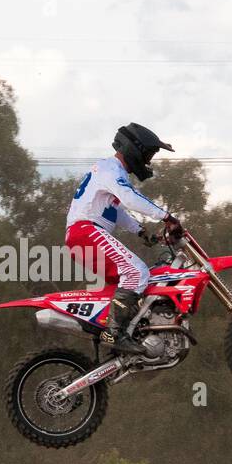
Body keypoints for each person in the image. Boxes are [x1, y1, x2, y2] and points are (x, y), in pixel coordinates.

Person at [65, 123, 182, 356]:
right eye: (148, 154)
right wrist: (167, 217)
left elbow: (115, 211)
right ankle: (114, 333)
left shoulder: (107, 172)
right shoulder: (111, 169)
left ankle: (115, 333)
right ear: (134, 148)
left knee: (128, 283)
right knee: (137, 273)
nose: (148, 161)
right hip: (85, 231)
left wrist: (140, 231)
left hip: (83, 235)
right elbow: (129, 198)